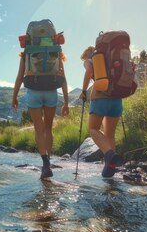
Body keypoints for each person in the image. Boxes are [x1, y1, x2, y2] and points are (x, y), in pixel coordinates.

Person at [12, 42, 69, 180]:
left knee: (38, 129)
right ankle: (48, 161)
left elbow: (20, 77)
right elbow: (63, 79)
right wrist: (66, 102)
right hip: (51, 92)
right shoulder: (56, 52)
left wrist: (14, 97)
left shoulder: (27, 54)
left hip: (34, 92)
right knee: (48, 128)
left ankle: (45, 164)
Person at [79, 46, 123, 178]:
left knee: (93, 129)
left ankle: (109, 155)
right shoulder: (111, 60)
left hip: (100, 98)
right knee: (109, 135)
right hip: (116, 98)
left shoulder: (90, 60)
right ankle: (110, 169)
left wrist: (83, 91)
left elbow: (89, 71)